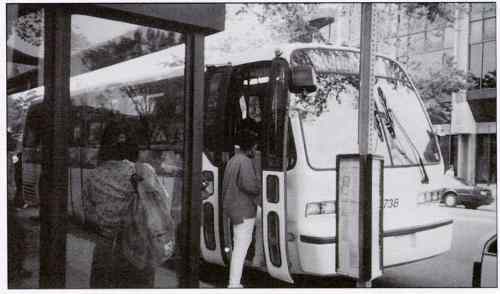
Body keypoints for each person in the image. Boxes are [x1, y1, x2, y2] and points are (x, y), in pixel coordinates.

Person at [83, 120, 155, 288]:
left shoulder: (93, 176)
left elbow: (89, 216)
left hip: (105, 251)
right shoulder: (144, 171)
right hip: (138, 250)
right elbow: (158, 209)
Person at [222, 129, 262, 288]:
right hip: (243, 210)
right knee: (240, 247)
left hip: (234, 208)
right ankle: (234, 284)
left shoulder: (234, 160)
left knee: (263, 220)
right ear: (251, 147)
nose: (256, 149)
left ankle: (258, 257)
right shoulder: (245, 162)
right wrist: (260, 183)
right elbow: (251, 186)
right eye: (255, 146)